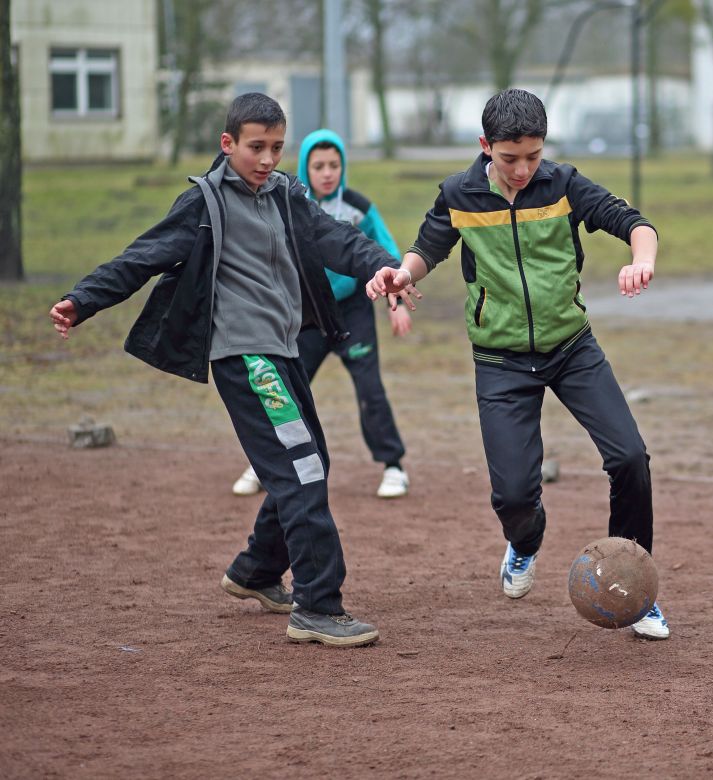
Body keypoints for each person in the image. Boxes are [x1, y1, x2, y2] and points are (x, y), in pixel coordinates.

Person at [49, 93, 400, 648]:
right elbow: (142, 256)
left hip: (283, 348)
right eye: (256, 147)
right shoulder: (205, 202)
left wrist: (381, 267)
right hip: (244, 354)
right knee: (302, 467)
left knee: (309, 462)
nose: (267, 159)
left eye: (277, 148)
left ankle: (256, 572)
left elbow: (335, 239)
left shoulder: (287, 194)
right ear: (228, 143)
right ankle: (318, 606)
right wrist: (83, 299)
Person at [366, 88, 670, 640]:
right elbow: (426, 249)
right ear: (486, 147)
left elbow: (635, 223)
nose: (524, 169)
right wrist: (402, 274)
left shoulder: (565, 184)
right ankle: (525, 544)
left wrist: (639, 262)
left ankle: (635, 585)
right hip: (501, 360)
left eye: (533, 155)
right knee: (512, 496)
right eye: (510, 158)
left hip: (572, 348)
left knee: (630, 458)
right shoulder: (458, 193)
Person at [231, 128, 412, 500]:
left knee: (370, 391)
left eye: (334, 165)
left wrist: (395, 305)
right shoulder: (290, 203)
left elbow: (388, 254)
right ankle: (266, 463)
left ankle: (393, 465)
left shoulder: (359, 208)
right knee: (285, 393)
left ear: (342, 167)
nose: (327, 172)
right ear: (305, 167)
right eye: (318, 166)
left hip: (353, 314)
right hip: (309, 315)